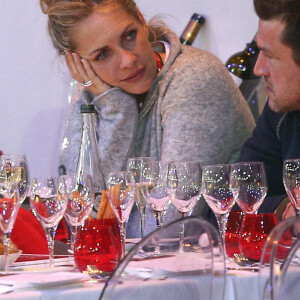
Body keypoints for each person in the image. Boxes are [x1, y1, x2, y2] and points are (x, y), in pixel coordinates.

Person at [40, 0, 255, 236]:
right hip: (139, 269)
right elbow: (81, 222)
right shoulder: (91, 98)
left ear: (142, 21)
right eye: (103, 54)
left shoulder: (195, 77)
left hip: (221, 263)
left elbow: (168, 226)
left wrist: (107, 226)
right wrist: (117, 112)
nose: (128, 60)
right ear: (78, 64)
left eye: (130, 35)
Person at [239, 0, 300, 220]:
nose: (258, 68)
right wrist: (286, 208)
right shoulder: (281, 110)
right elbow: (235, 197)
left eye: (270, 55)